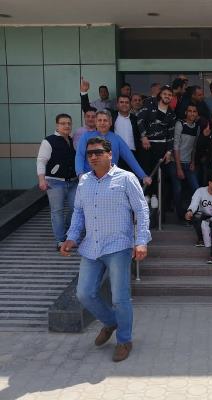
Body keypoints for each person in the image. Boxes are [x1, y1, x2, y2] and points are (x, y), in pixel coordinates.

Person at [61, 137, 151, 362]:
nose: (93, 157)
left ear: (110, 154)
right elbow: (78, 212)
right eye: (89, 153)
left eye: (98, 152)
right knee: (84, 293)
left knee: (120, 298)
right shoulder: (84, 181)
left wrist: (141, 240)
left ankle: (124, 340)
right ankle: (111, 322)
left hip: (118, 246)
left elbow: (141, 211)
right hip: (91, 247)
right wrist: (71, 237)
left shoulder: (126, 178)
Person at [36, 113, 78, 250]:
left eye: (69, 123)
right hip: (54, 182)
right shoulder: (48, 141)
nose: (66, 126)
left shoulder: (72, 140)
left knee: (76, 208)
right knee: (57, 211)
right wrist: (41, 179)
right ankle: (60, 240)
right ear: (57, 125)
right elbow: (41, 161)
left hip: (73, 182)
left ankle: (67, 233)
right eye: (63, 123)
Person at [75, 110, 150, 185]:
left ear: (110, 122)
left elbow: (130, 158)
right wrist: (80, 174)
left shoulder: (117, 139)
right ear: (96, 122)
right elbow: (79, 156)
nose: (102, 123)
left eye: (105, 120)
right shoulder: (86, 137)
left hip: (110, 180)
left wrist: (143, 176)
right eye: (99, 120)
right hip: (90, 179)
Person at [137, 84, 177, 207]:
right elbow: (140, 120)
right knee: (146, 170)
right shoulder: (149, 106)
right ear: (160, 95)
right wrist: (144, 136)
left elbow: (171, 134)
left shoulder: (171, 114)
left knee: (158, 172)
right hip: (147, 144)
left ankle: (154, 195)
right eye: (165, 94)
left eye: (169, 95)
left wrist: (169, 151)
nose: (167, 96)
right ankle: (146, 194)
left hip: (162, 146)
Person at [185, 172, 212, 261]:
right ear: (210, 183)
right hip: (204, 216)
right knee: (197, 216)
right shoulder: (200, 191)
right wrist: (190, 211)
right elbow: (194, 203)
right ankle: (201, 239)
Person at [173, 104, 201, 215]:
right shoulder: (180, 124)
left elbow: (194, 147)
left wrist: (192, 162)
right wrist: (179, 168)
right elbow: (176, 146)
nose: (192, 113)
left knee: (196, 189)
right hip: (176, 163)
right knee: (178, 190)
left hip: (189, 163)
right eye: (190, 111)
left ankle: (192, 214)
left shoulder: (197, 127)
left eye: (194, 111)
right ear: (186, 112)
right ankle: (179, 214)